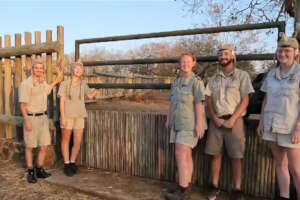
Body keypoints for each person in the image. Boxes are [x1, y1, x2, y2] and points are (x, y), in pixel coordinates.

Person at [205, 43, 254, 200]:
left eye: (226, 53)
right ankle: (213, 186)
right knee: (215, 154)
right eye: (220, 54)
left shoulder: (242, 75)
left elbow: (245, 100)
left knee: (236, 156)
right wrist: (214, 118)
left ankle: (237, 189)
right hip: (217, 121)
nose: (223, 56)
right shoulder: (213, 78)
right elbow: (209, 99)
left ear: (232, 55)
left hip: (235, 121)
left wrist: (233, 119)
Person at [257, 34, 300, 200]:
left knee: (296, 169)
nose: (283, 54)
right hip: (271, 125)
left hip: (291, 127)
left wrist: (298, 127)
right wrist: (261, 121)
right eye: (280, 50)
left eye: (287, 50)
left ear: (296, 52)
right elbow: (266, 98)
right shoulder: (272, 74)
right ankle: (284, 196)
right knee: (279, 163)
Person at [165, 53, 206, 200]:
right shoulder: (176, 82)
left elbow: (199, 103)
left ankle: (182, 190)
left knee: (181, 153)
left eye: (188, 62)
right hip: (177, 122)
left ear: (193, 63)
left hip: (190, 122)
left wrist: (200, 124)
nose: (185, 64)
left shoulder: (196, 82)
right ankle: (186, 186)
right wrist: (169, 118)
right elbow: (172, 102)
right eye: (182, 62)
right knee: (186, 155)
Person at [19, 60, 63, 183]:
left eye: (41, 68)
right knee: (30, 147)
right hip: (31, 118)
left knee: (44, 146)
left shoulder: (43, 83)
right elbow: (22, 105)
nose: (39, 70)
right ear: (32, 69)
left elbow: (49, 88)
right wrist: (27, 121)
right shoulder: (26, 84)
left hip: (43, 118)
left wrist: (58, 77)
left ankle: (39, 169)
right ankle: (30, 172)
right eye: (36, 68)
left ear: (43, 70)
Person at [58, 61, 98, 176]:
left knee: (77, 142)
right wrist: (63, 117)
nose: (78, 70)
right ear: (72, 70)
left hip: (80, 115)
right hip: (68, 115)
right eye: (76, 68)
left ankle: (72, 162)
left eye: (80, 69)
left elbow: (89, 96)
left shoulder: (84, 84)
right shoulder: (65, 84)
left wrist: (95, 92)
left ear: (83, 71)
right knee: (65, 140)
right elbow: (62, 101)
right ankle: (66, 164)